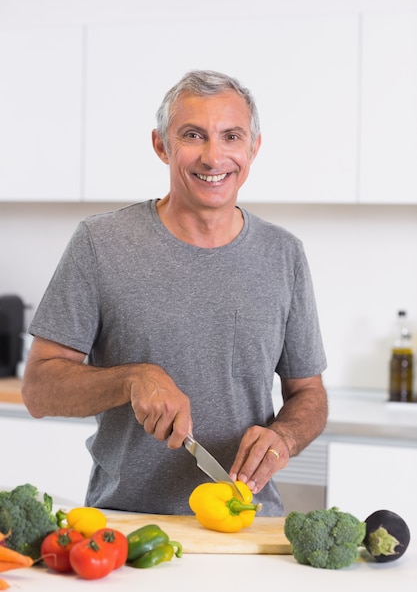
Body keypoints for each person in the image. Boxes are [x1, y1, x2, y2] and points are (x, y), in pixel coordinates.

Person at [22, 69, 328, 516]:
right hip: (124, 529)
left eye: (231, 137)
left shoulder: (284, 255)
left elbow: (310, 394)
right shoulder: (100, 244)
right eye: (193, 135)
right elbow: (38, 389)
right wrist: (132, 379)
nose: (213, 156)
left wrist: (285, 436)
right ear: (161, 145)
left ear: (253, 148)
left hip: (245, 525)